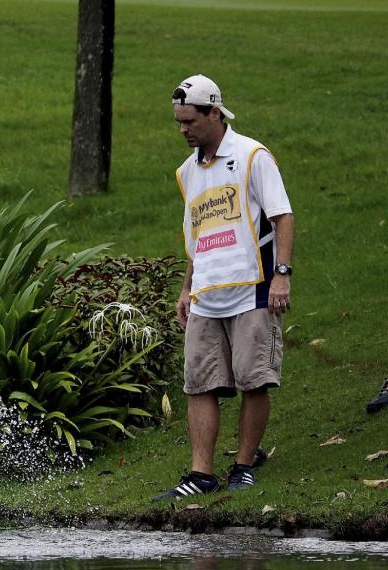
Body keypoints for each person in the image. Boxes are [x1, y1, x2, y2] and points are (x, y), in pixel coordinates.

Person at [154, 75, 295, 501]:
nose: (183, 130)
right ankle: (201, 475)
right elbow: (196, 238)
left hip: (253, 287)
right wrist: (186, 289)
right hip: (206, 293)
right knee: (199, 383)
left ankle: (244, 465)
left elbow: (282, 217)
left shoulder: (253, 155)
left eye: (190, 121)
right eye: (178, 122)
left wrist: (282, 274)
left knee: (254, 380)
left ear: (214, 112)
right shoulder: (186, 172)